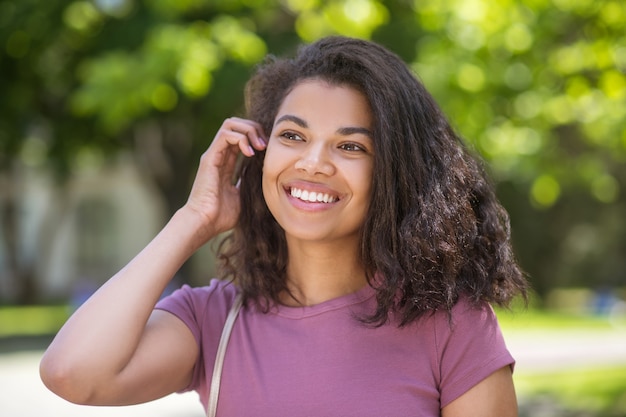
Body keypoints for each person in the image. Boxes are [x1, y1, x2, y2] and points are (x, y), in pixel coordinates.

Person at [40, 36, 528, 416]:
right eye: (292, 135)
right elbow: (71, 373)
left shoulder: (450, 324)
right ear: (262, 151)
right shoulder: (215, 321)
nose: (313, 163)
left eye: (350, 146)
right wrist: (193, 220)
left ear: (394, 173)